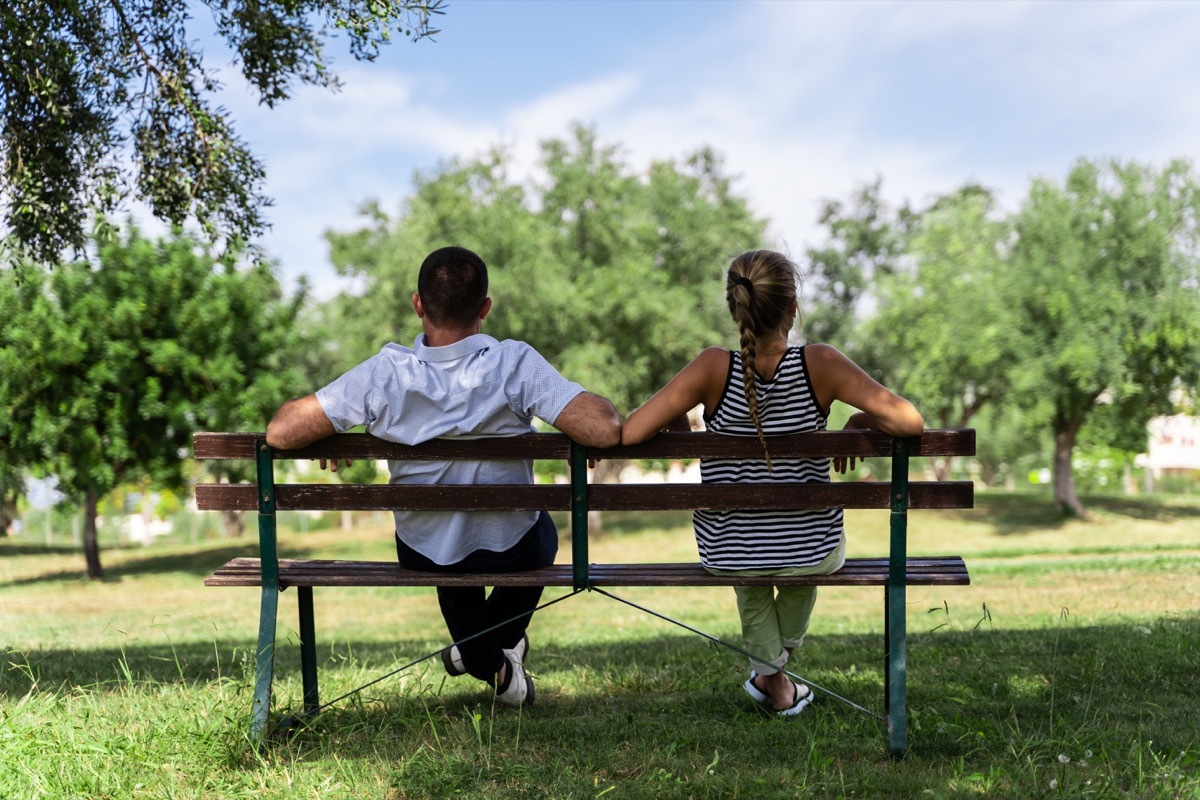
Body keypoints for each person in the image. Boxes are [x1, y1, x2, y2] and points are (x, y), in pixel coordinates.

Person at [266, 246, 621, 707]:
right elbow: (605, 427)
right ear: (485, 308)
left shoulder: (385, 373)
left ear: (418, 304)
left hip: (424, 551)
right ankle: (486, 659)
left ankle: (482, 656)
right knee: (543, 536)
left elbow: (281, 430)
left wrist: (327, 436)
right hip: (510, 549)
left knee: (450, 557)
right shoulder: (513, 363)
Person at [620, 249, 923, 716]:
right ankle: (774, 676)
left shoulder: (711, 367)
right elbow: (910, 421)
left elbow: (633, 430)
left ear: (734, 307)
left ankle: (773, 678)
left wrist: (681, 420)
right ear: (793, 308)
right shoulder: (820, 364)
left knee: (750, 566)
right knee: (805, 561)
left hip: (730, 548)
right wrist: (858, 420)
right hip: (812, 548)